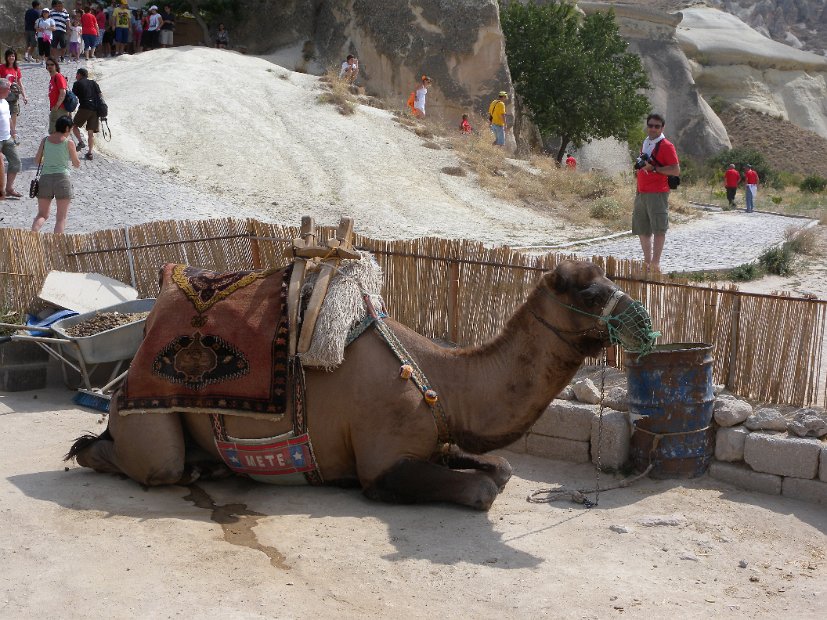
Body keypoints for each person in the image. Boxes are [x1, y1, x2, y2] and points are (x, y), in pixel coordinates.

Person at [632, 113, 680, 273]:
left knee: (659, 229)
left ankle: (656, 263)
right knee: (643, 229)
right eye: (650, 125)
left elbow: (675, 169)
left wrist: (653, 168)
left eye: (656, 126)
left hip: (658, 192)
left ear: (662, 128)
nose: (653, 128)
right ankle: (647, 262)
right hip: (642, 192)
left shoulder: (666, 145)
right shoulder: (646, 143)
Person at [32, 114, 80, 233]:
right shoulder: (69, 143)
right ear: (67, 128)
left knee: (42, 215)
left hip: (45, 179)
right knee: (61, 218)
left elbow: (37, 160)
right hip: (62, 180)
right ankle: (57, 246)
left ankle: (32, 236)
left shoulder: (45, 140)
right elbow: (76, 163)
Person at [0, 79, 23, 200]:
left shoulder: (4, 102)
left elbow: (8, 118)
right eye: (8, 88)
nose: (10, 91)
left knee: (16, 162)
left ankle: (9, 188)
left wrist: (13, 131)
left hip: (7, 138)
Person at [71, 67, 100, 160]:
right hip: (95, 109)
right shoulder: (94, 83)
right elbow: (100, 95)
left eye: (76, 74)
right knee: (91, 133)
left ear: (79, 75)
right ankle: (90, 153)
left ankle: (80, 142)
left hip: (84, 108)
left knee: (74, 126)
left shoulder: (77, 84)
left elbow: (73, 98)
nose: (76, 76)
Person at [0, 49, 29, 144]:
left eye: (13, 56)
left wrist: (24, 96)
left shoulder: (17, 69)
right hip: (3, 97)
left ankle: (12, 135)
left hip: (14, 96)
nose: (11, 57)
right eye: (9, 56)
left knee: (14, 115)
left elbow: (20, 83)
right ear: (6, 57)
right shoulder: (2, 68)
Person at [45, 57, 68, 134]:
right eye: (48, 65)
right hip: (55, 108)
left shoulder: (58, 76)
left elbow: (63, 92)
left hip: (59, 109)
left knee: (55, 131)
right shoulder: (52, 78)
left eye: (52, 64)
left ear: (56, 66)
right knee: (56, 131)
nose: (49, 66)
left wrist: (56, 106)